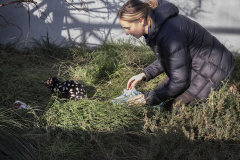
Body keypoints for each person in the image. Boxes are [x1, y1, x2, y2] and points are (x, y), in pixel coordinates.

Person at [117, 0, 236, 110]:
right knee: (162, 96)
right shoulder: (156, 25)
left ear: (141, 21)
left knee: (170, 109)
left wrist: (147, 98)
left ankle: (225, 88)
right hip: (194, 61)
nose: (127, 33)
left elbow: (179, 81)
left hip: (212, 66)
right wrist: (144, 73)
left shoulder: (169, 33)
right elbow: (171, 57)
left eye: (128, 28)